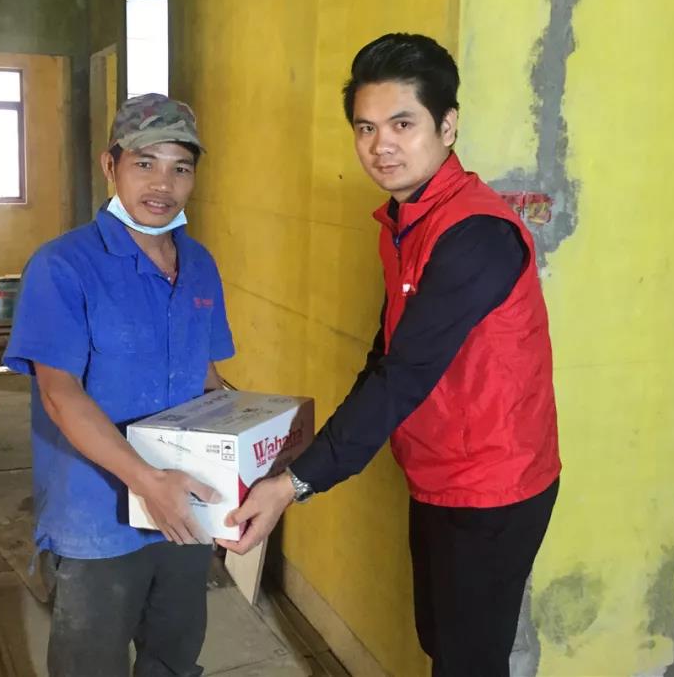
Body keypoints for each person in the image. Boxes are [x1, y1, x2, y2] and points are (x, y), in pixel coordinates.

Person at [220, 34, 561, 677]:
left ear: (447, 126)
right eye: (366, 127)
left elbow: (402, 377)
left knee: (469, 661)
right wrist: (300, 458)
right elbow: (385, 357)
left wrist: (293, 484)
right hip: (436, 471)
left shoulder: (474, 234)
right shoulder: (406, 222)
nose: (382, 145)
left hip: (492, 485)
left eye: (403, 124)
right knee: (441, 639)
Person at [4, 93, 235, 677]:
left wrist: (251, 451)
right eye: (145, 163)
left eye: (181, 168)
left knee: (173, 656)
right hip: (98, 517)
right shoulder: (63, 266)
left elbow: (207, 377)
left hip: (181, 506)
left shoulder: (200, 264)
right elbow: (60, 394)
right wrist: (146, 481)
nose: (163, 185)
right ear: (111, 166)